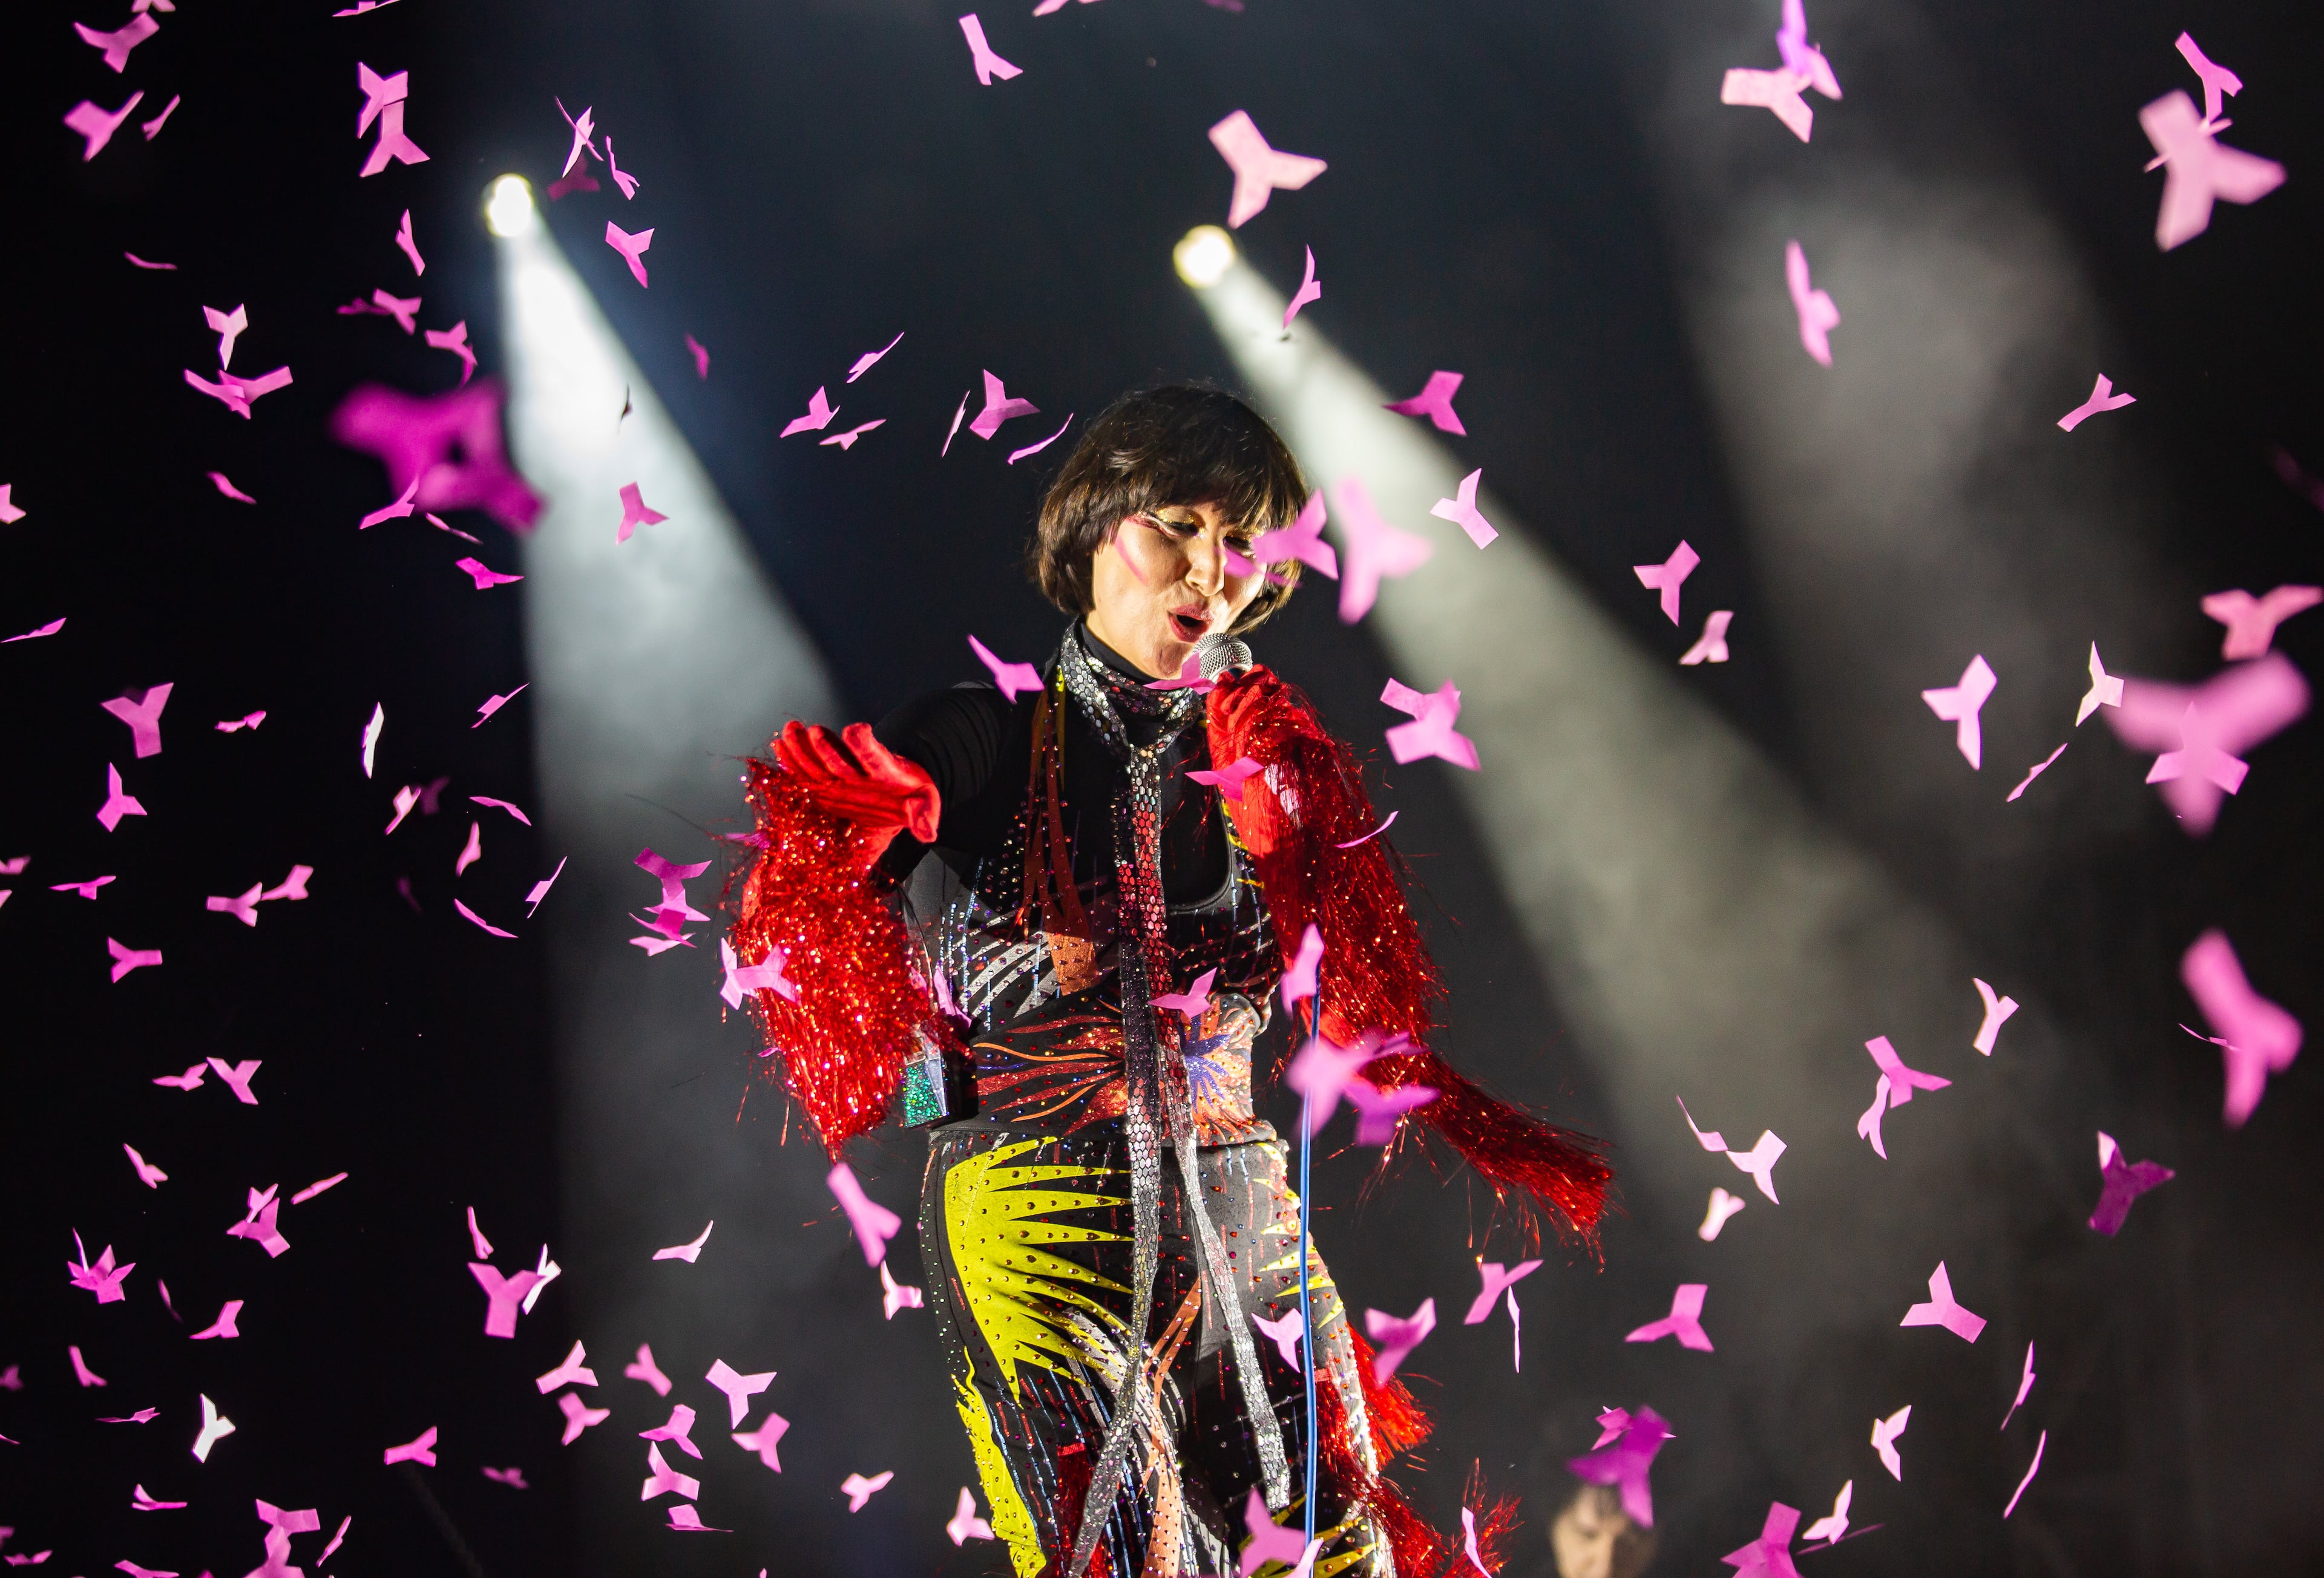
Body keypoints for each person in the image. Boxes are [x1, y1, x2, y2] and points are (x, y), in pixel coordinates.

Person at [730, 386, 1610, 1578]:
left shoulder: (1269, 758)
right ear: (1099, 525)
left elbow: (1367, 1025)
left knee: (1340, 1544)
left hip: (1242, 1203)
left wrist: (1293, 851)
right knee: (1121, 1546)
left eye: (1244, 544)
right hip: (1036, 1208)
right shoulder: (978, 737)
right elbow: (817, 947)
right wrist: (841, 856)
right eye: (1178, 527)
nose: (1212, 572)